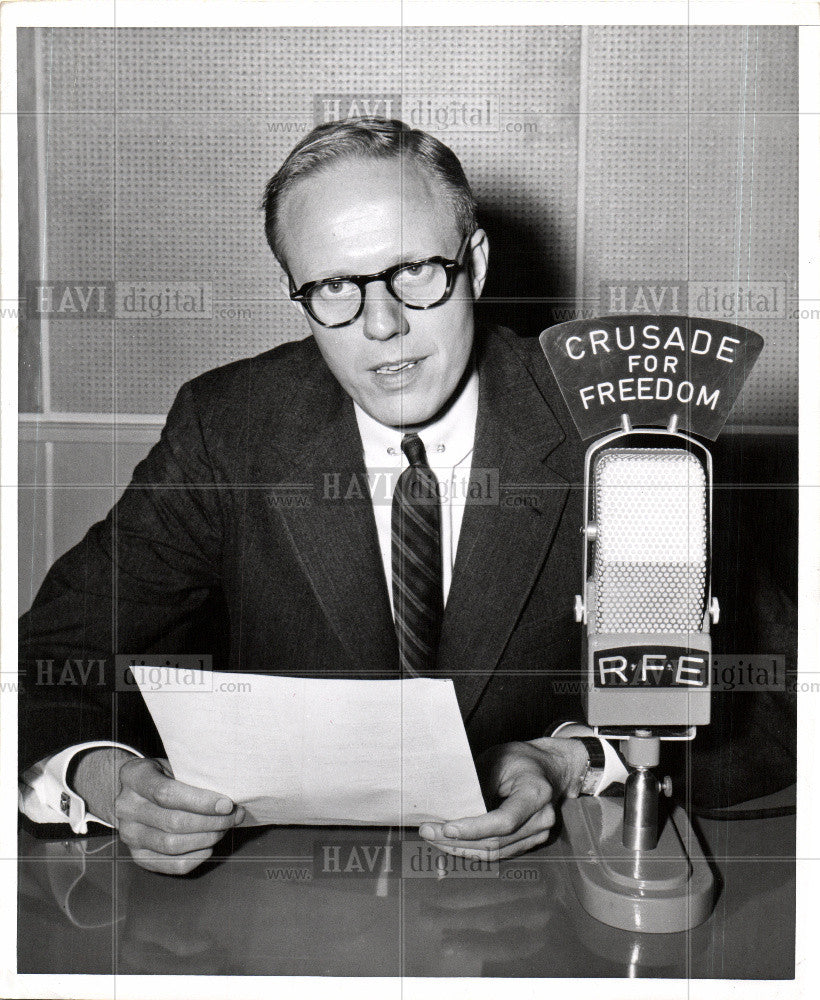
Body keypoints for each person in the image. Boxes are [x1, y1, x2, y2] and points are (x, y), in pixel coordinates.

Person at [18, 118, 794, 874]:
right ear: (297, 293)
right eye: (333, 287)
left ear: (476, 263)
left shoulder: (615, 433)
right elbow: (50, 659)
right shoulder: (230, 428)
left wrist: (572, 760)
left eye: (416, 272)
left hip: (542, 902)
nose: (382, 324)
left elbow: (777, 701)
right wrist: (110, 783)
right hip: (284, 898)